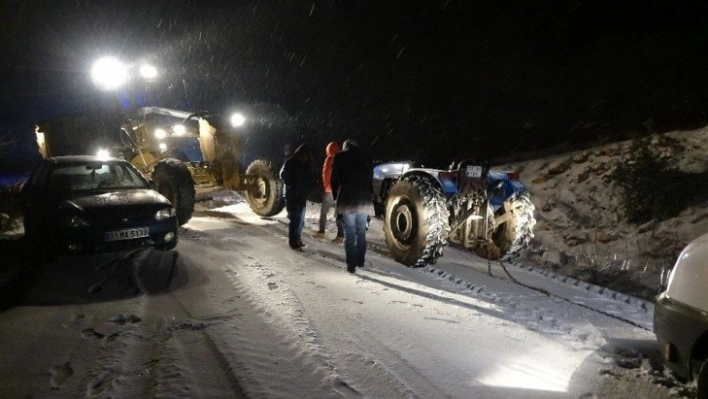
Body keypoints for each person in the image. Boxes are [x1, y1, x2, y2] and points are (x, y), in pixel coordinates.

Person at [330, 139, 374, 273]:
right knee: (360, 232)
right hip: (364, 199)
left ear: (345, 147)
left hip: (347, 199)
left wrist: (335, 194)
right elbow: (369, 178)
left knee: (349, 234)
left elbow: (333, 179)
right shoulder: (365, 156)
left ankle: (351, 266)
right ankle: (360, 261)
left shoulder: (340, 156)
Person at [280, 144, 313, 251]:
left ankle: (297, 237)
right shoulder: (290, 163)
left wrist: (308, 188)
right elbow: (283, 175)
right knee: (294, 219)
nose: (305, 158)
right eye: (303, 156)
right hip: (292, 196)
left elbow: (308, 180)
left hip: (301, 197)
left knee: (301, 220)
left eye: (306, 156)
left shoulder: (306, 166)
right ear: (299, 155)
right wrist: (291, 185)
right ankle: (292, 241)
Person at [314, 141, 345, 243]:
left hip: (333, 191)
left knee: (336, 214)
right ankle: (325, 232)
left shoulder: (336, 160)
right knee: (330, 213)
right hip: (330, 191)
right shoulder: (336, 160)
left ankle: (340, 235)